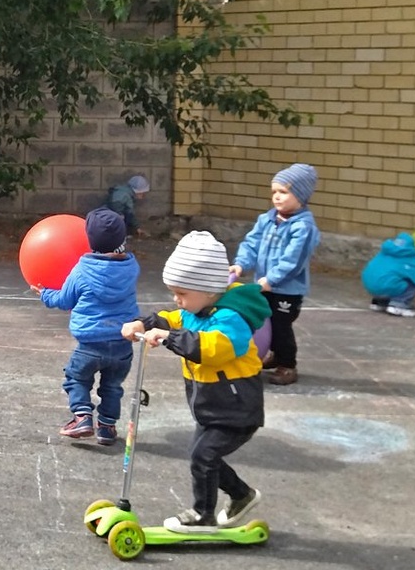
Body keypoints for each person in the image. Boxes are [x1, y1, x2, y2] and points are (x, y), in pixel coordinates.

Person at [123, 231, 270, 533]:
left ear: (208, 289)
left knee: (203, 456)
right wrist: (145, 323)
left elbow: (212, 349)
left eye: (183, 293)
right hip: (210, 406)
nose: (177, 300)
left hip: (237, 408)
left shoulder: (231, 319)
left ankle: (202, 515)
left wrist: (168, 337)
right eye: (174, 292)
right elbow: (169, 318)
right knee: (203, 456)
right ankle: (242, 495)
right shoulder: (194, 311)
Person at [37, 207, 141, 446]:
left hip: (90, 343)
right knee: (112, 386)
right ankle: (106, 428)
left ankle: (82, 416)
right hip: (123, 342)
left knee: (76, 378)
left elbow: (64, 300)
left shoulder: (82, 270)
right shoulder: (131, 267)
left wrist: (45, 294)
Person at [228, 163, 321, 386]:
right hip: (264, 285)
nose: (277, 197)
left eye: (284, 192)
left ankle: (287, 364)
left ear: (301, 195)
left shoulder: (303, 227)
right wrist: (241, 264)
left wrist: (273, 279)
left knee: (280, 326)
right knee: (264, 321)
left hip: (286, 290)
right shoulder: (267, 219)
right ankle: (276, 355)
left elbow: (294, 261)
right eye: (274, 192)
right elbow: (251, 243)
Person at [363, 225, 415, 318]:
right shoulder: (412, 260)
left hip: (370, 284)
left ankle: (379, 302)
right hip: (385, 285)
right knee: (413, 282)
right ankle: (398, 305)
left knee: (392, 278)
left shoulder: (391, 250)